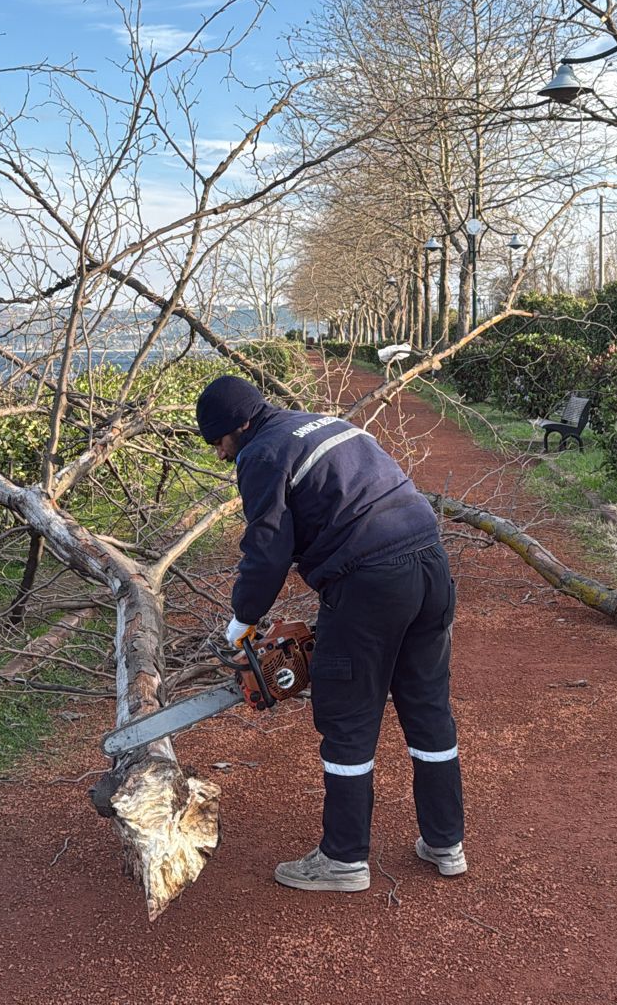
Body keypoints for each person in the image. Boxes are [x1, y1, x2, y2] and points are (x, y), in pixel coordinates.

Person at [195, 374, 466, 892]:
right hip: (431, 565)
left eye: (219, 443)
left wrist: (241, 622)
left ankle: (343, 859)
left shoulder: (262, 454)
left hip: (370, 581)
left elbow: (268, 549)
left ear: (238, 427)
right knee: (428, 706)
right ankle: (445, 842)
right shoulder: (324, 424)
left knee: (347, 714)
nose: (220, 455)